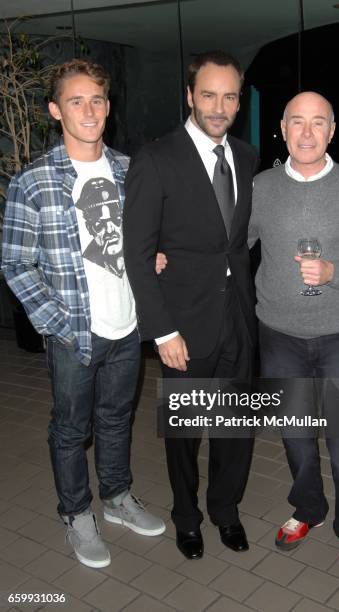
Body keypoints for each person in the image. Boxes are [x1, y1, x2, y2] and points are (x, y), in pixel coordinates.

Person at [1, 58, 165, 570]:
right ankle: (75, 512)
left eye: (96, 99)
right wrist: (56, 323)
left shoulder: (127, 169)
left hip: (127, 324)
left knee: (117, 419)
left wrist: (154, 258)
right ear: (55, 110)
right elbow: (14, 261)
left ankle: (116, 498)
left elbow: (142, 242)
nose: (89, 110)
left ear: (108, 107)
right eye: (76, 100)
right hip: (73, 332)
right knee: (71, 429)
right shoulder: (34, 181)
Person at [249, 91, 339, 575]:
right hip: (279, 336)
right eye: (297, 122)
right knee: (294, 436)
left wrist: (336, 271)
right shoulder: (261, 187)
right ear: (283, 129)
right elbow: (229, 245)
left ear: (332, 131)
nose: (307, 133)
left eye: (317, 123)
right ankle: (308, 508)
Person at [123, 50, 259, 560]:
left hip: (238, 321)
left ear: (239, 101)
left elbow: (240, 241)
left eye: (229, 96)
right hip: (182, 327)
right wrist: (162, 332)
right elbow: (137, 255)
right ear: (189, 96)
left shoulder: (245, 157)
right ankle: (187, 517)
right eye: (208, 94)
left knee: (234, 429)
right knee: (184, 434)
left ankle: (226, 510)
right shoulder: (156, 158)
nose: (218, 106)